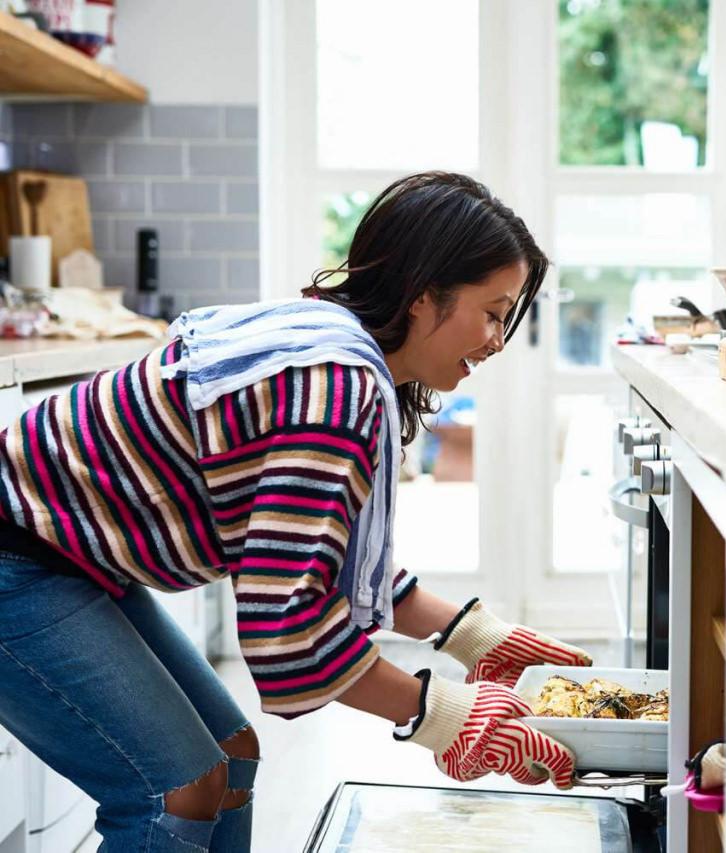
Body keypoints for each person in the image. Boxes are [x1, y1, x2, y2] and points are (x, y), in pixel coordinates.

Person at [0, 172, 593, 852]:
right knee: (175, 788)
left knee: (231, 752)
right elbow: (288, 633)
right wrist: (445, 714)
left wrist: (469, 634)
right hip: (19, 558)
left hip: (62, 554)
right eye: (493, 311)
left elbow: (312, 548)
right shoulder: (334, 387)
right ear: (425, 294)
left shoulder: (334, 345)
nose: (497, 340)